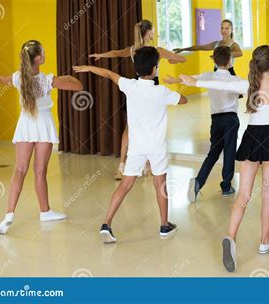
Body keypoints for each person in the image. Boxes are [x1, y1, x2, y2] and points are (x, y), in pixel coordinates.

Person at [180, 45, 269, 272]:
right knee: (268, 194)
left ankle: (230, 237)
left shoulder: (248, 85)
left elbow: (222, 83)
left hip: (251, 138)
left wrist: (195, 82)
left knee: (244, 194)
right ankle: (264, 242)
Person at [74, 46, 187, 242]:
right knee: (160, 184)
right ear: (155, 69)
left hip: (136, 148)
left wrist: (88, 68)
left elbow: (109, 74)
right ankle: (164, 226)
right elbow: (183, 100)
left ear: (136, 69)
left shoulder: (129, 85)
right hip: (157, 148)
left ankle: (106, 224)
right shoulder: (162, 91)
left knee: (125, 184)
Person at [0, 40, 83, 234]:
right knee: (39, 171)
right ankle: (44, 212)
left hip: (25, 124)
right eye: (43, 53)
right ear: (38, 59)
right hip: (43, 124)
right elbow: (78, 86)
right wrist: (67, 76)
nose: (45, 55)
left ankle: (8, 215)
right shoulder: (48, 80)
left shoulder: (18, 77)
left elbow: (1, 79)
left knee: (19, 170)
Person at [89, 20, 186, 179]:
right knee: (152, 125)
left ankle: (122, 165)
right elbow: (182, 60)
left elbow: (115, 53)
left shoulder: (133, 49)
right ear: (148, 32)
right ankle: (149, 165)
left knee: (130, 128)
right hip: (152, 87)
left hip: (135, 87)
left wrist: (100, 55)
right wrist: (172, 58)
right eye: (153, 30)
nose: (155, 33)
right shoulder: (157, 50)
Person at [164, 46, 240, 201]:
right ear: (230, 61)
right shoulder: (235, 79)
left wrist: (174, 80)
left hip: (216, 120)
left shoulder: (208, 76)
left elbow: (191, 78)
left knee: (213, 153)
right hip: (231, 119)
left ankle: (198, 181)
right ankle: (226, 186)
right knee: (229, 153)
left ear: (214, 60)